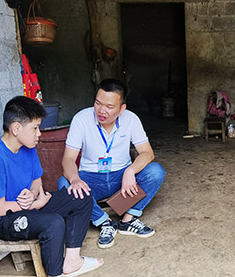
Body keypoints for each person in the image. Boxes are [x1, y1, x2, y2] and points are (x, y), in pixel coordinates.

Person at [0, 96, 102, 277]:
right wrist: (32, 205)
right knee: (53, 223)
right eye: (35, 128)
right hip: (1, 220)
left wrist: (34, 195)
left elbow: (36, 180)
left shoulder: (27, 146)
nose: (39, 134)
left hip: (25, 206)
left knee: (81, 196)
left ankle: (71, 262)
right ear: (16, 128)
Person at [59, 78, 166, 249]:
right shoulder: (81, 119)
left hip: (121, 179)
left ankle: (128, 219)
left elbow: (147, 153)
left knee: (155, 171)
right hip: (90, 180)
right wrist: (75, 179)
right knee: (64, 184)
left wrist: (130, 171)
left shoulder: (131, 119)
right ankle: (104, 222)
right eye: (98, 103)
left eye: (109, 107)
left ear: (122, 108)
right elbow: (68, 159)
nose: (101, 111)